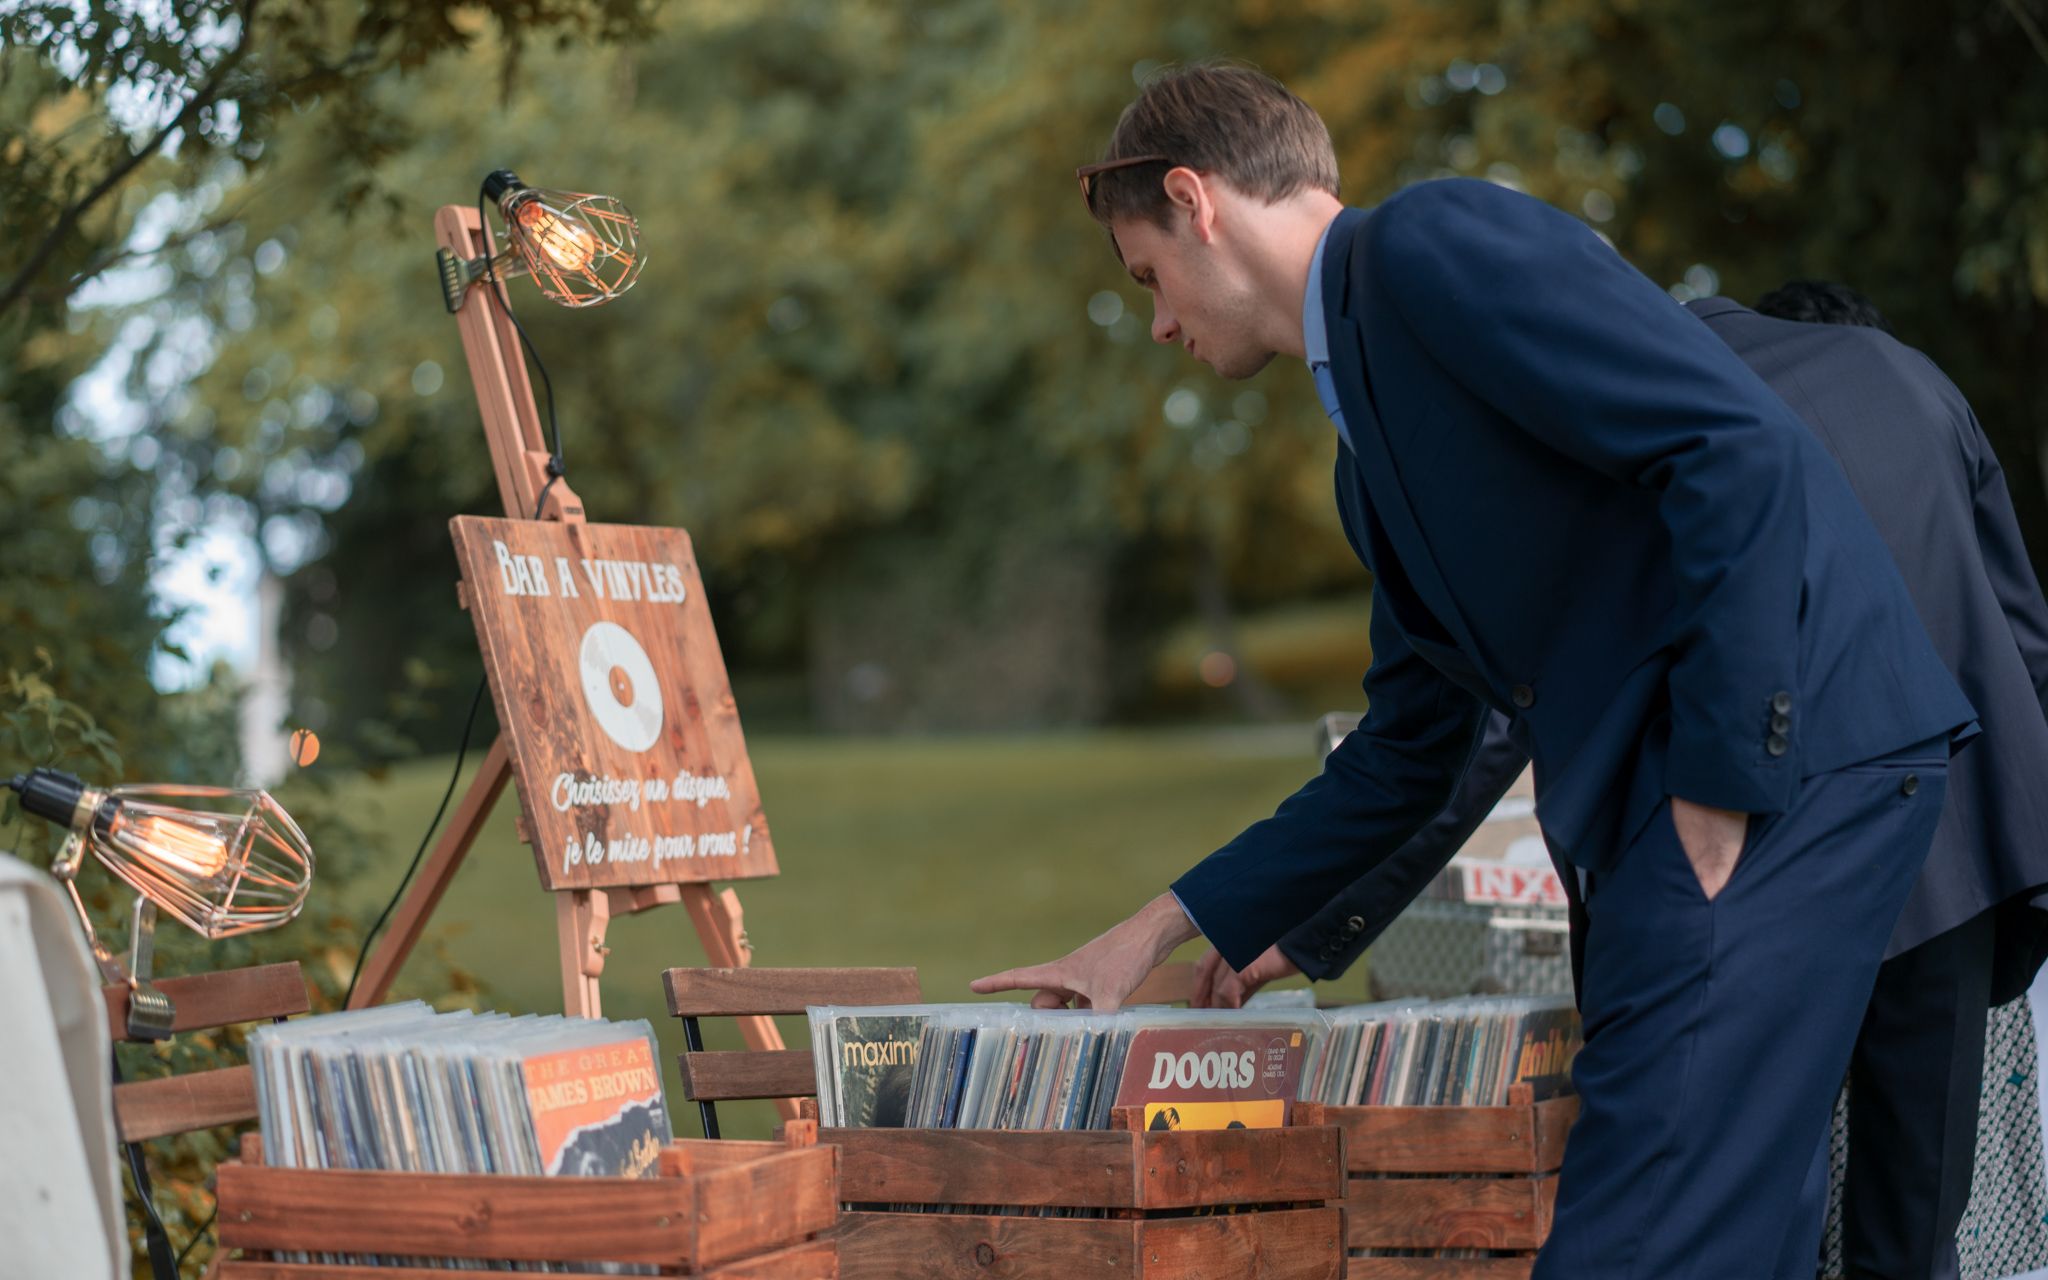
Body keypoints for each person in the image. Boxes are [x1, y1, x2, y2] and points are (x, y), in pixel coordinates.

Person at [970, 64, 1977, 1277]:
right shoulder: (1366, 450)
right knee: (1721, 1231)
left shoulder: (1433, 242)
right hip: (1684, 816)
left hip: (1775, 776)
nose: (1159, 323)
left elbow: (1736, 450)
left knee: (1642, 1235)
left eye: (1146, 277)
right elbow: (1412, 744)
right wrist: (1152, 931)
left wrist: (1718, 789)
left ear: (1195, 200)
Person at [1201, 280, 2048, 1279]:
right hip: (1948, 850)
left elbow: (1494, 709)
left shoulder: (1637, 412)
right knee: (1909, 1238)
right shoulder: (1915, 381)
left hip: (1753, 877)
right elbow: (2019, 638)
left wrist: (1303, 923)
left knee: (1747, 1217)